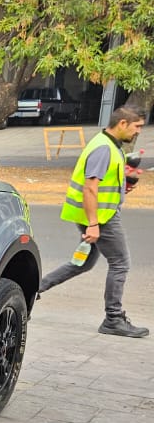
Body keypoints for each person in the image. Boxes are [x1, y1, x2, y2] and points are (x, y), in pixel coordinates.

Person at [38, 106, 147, 337]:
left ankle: (33, 288)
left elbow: (105, 180)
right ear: (123, 124)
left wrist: (125, 184)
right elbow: (90, 188)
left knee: (82, 263)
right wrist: (94, 224)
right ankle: (113, 319)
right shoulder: (103, 149)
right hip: (102, 217)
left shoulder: (110, 145)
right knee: (120, 264)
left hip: (98, 214)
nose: (139, 131)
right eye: (137, 126)